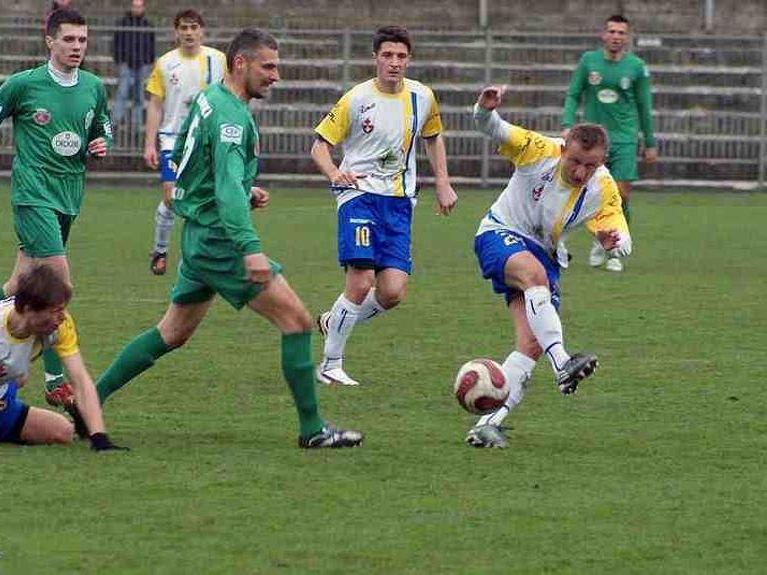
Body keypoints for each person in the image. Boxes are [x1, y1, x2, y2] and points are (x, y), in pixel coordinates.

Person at [95, 28, 363, 449]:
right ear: (241, 63)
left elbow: (197, 168)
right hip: (221, 242)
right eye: (268, 66)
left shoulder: (211, 99)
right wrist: (250, 247)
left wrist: (241, 190)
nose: (276, 76)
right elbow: (221, 186)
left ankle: (90, 400)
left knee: (172, 332)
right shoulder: (231, 119)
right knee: (296, 321)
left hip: (201, 234)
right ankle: (312, 430)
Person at [0, 8, 112, 410]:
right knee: (60, 285)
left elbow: (102, 127)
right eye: (69, 39)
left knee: (18, 286)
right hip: (32, 195)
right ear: (50, 41)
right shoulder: (22, 85)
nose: (77, 46)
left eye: (82, 39)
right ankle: (54, 376)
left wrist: (100, 145)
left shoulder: (94, 87)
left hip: (69, 196)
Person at [466, 85, 632, 448]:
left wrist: (614, 242)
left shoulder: (602, 187)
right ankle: (563, 364)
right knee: (534, 277)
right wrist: (485, 108)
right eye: (575, 161)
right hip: (500, 233)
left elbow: (623, 236)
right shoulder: (538, 150)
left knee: (529, 345)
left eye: (591, 165)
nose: (580, 171)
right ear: (564, 146)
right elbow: (491, 127)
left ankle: (487, 424)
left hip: (545, 254)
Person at [310, 25, 458, 386]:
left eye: (401, 56)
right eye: (388, 56)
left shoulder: (423, 97)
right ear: (375, 58)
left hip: (399, 201)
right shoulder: (356, 98)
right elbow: (318, 144)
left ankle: (333, 321)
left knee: (391, 292)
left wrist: (442, 183)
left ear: (409, 59)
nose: (394, 63)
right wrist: (333, 173)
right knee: (360, 282)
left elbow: (433, 138)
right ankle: (330, 364)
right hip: (358, 196)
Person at [0, 265, 125, 450]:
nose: (62, 317)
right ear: (28, 310)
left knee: (62, 432)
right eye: (55, 311)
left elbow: (80, 378)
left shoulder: (59, 325)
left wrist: (100, 438)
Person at [561, 14, 656, 272]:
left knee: (621, 193)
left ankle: (614, 250)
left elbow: (644, 107)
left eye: (621, 33)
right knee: (583, 191)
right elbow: (573, 94)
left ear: (627, 37)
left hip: (624, 138)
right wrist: (567, 124)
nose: (616, 36)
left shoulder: (636, 67)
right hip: (593, 141)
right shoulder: (588, 61)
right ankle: (594, 237)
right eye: (612, 31)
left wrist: (650, 142)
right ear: (604, 35)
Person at [143, 9, 226, 275]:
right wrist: (149, 143)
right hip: (173, 139)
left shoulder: (218, 60)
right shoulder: (165, 63)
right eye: (183, 28)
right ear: (176, 32)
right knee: (170, 197)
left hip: (207, 139)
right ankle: (160, 249)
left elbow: (230, 97)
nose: (189, 33)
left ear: (202, 30)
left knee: (210, 196)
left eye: (193, 27)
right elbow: (155, 105)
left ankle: (203, 252)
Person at [111, 0, 155, 133]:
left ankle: (136, 124)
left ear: (143, 8)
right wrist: (119, 60)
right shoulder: (122, 23)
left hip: (142, 65)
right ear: (131, 7)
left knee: (139, 96)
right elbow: (116, 43)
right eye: (135, 6)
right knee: (122, 93)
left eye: (139, 6)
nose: (137, 9)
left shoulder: (148, 25)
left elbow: (151, 45)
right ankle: (115, 122)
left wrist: (149, 61)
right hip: (126, 64)